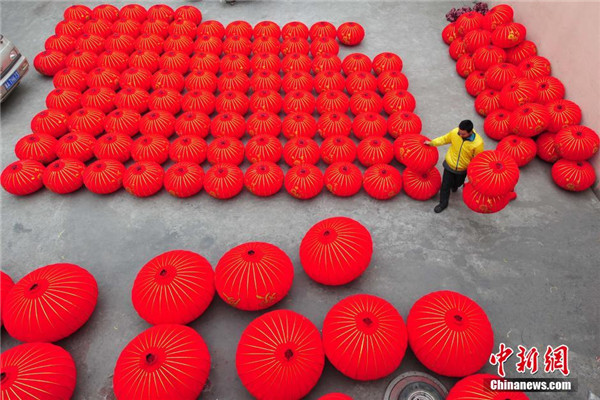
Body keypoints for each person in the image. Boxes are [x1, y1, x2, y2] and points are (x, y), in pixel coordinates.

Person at [425, 120, 484, 213]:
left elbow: (477, 159)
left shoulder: (478, 143)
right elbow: (444, 139)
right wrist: (432, 143)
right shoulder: (455, 132)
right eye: (459, 132)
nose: (460, 135)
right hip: (449, 165)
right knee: (445, 185)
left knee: (458, 183)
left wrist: (474, 173)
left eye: (463, 134)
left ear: (470, 132)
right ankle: (443, 203)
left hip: (462, 169)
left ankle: (455, 185)